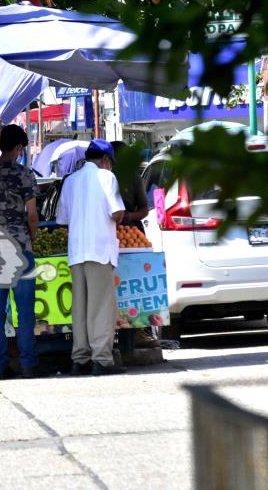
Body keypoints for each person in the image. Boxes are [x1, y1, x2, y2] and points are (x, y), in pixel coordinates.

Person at [0, 124, 46, 379]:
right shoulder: (25, 174)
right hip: (20, 249)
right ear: (17, 148)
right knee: (24, 310)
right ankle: (28, 365)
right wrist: (31, 239)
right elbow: (33, 216)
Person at [56, 139, 126, 376]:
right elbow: (117, 211)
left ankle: (80, 358)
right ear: (105, 160)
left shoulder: (71, 181)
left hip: (77, 250)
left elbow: (62, 219)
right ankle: (102, 359)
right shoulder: (107, 177)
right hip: (99, 249)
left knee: (81, 307)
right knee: (101, 306)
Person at [111, 141, 159, 349]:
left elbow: (144, 209)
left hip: (132, 236)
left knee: (130, 289)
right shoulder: (103, 179)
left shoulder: (133, 178)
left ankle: (134, 335)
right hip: (110, 237)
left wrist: (129, 216)